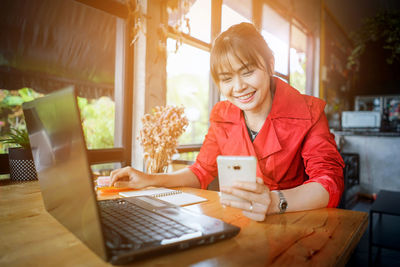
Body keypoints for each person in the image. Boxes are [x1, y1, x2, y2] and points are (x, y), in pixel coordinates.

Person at [110, 22, 344, 221]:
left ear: (270, 65)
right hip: (240, 222)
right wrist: (148, 179)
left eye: (248, 72)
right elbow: (201, 171)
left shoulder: (310, 111)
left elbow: (328, 182)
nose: (239, 87)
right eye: (227, 79)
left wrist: (273, 202)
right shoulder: (222, 115)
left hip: (297, 221)